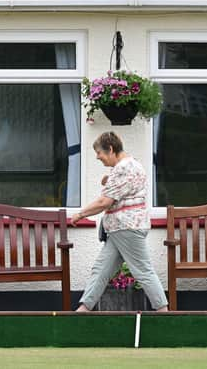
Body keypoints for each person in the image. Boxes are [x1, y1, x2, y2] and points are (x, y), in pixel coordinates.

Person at [71, 131, 169, 312]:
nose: (99, 158)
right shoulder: (132, 165)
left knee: (143, 271)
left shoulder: (123, 168)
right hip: (121, 229)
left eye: (100, 154)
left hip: (126, 228)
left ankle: (164, 312)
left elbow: (104, 202)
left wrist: (80, 214)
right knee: (101, 270)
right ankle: (83, 310)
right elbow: (127, 188)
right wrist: (109, 179)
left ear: (110, 149)